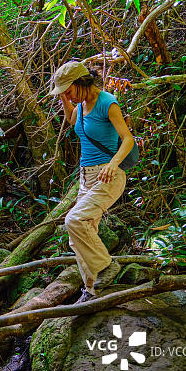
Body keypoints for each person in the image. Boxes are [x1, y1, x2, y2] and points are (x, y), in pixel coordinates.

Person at [49, 61, 136, 303]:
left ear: (81, 83)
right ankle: (92, 291)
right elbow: (72, 121)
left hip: (107, 175)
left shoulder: (107, 102)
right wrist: (64, 100)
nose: (67, 95)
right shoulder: (82, 105)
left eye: (68, 90)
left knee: (74, 220)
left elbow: (127, 139)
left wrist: (112, 164)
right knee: (78, 235)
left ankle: (107, 266)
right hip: (86, 176)